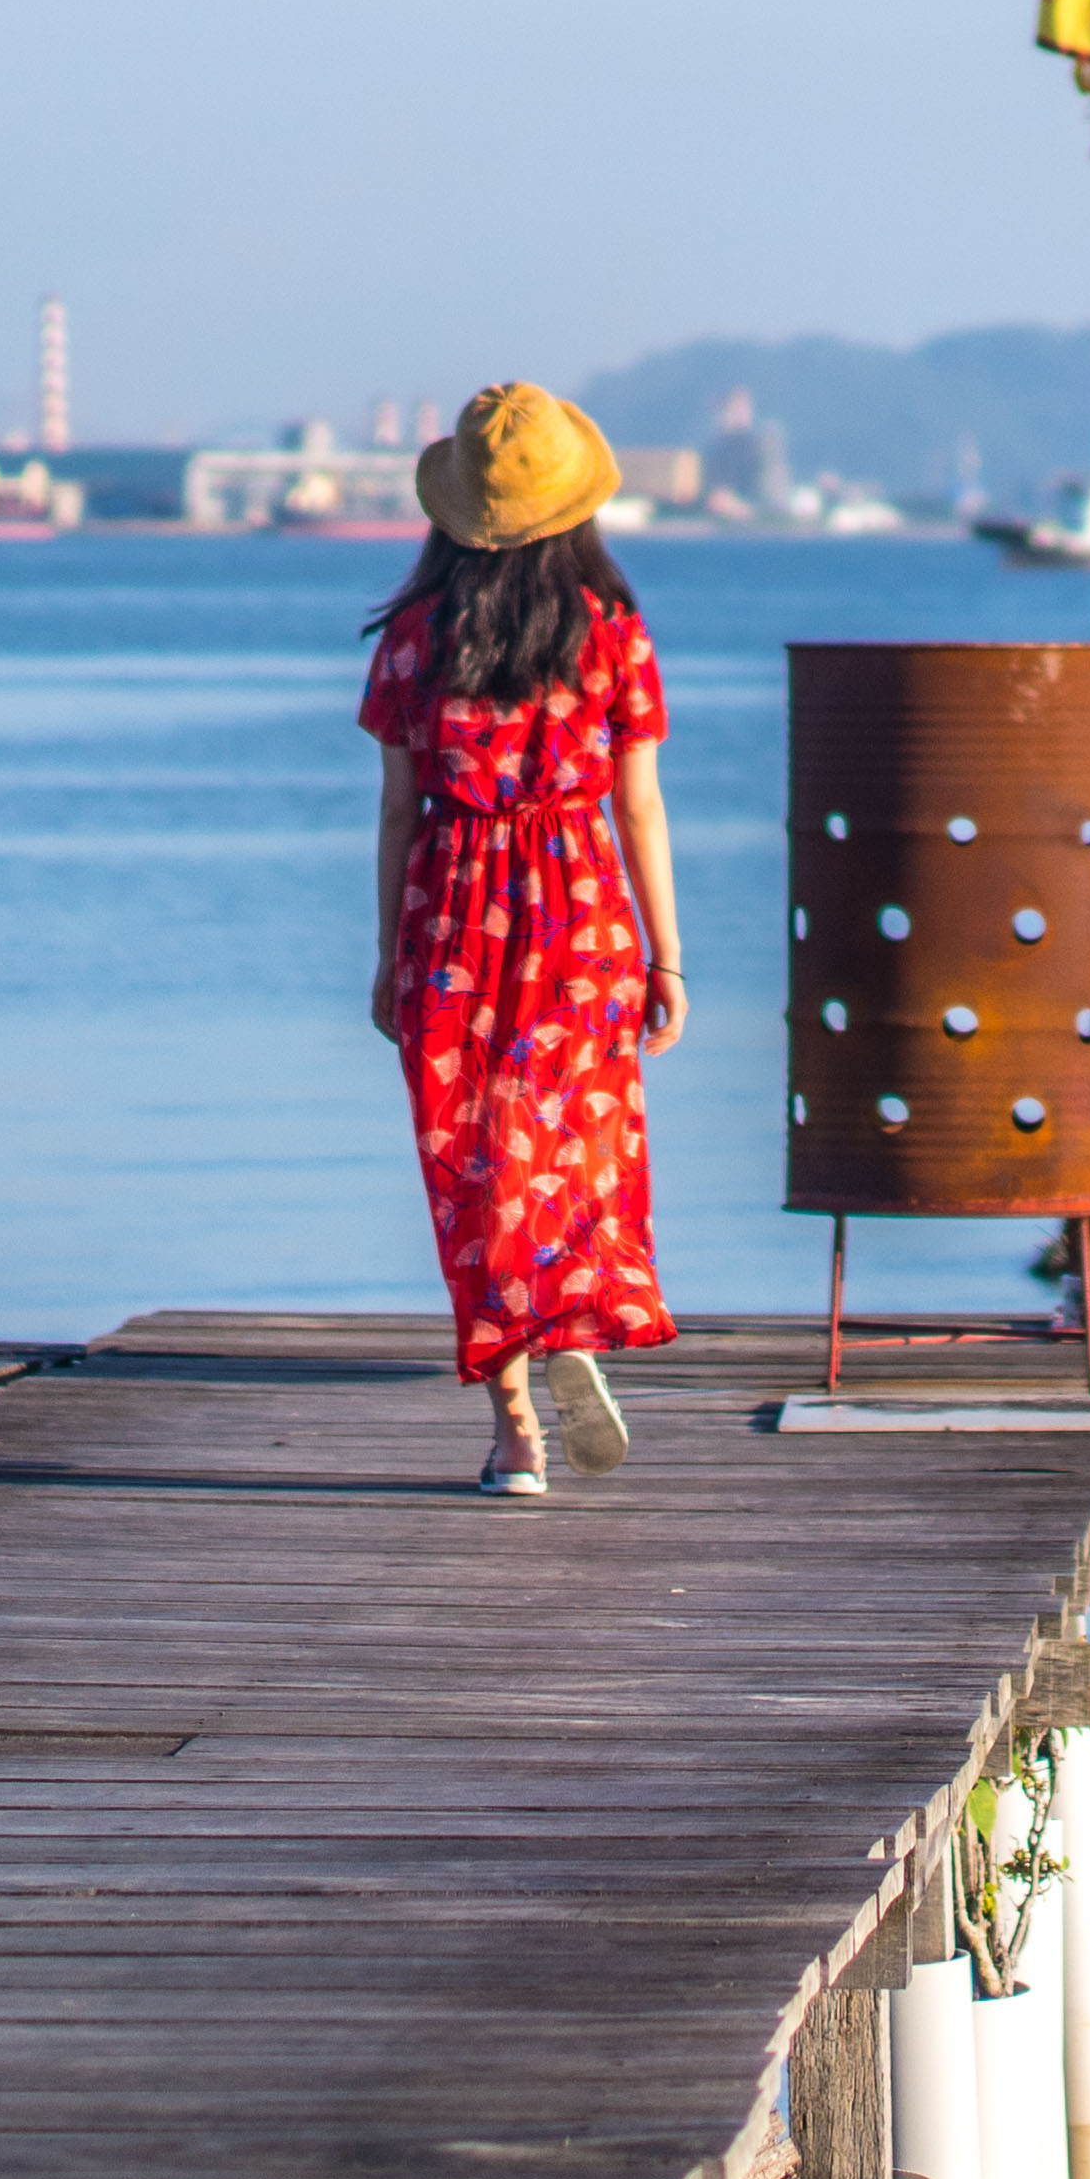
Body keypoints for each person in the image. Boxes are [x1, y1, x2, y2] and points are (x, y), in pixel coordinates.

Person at [360, 381, 689, 1494]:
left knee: (476, 1157)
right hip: (583, 911)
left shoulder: (415, 638)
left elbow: (400, 813)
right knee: (577, 1145)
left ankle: (516, 1433)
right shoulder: (611, 637)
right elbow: (640, 808)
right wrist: (664, 955)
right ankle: (575, 1333)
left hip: (453, 910)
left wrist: (386, 955)